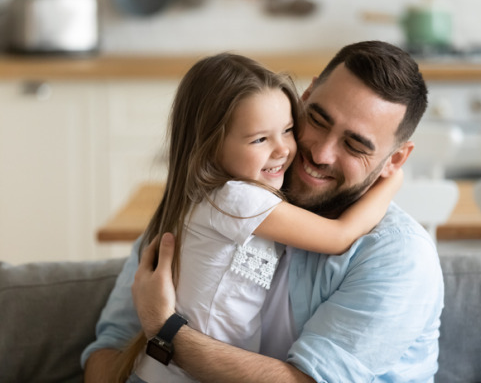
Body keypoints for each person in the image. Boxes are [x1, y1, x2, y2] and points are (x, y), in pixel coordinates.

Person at [83, 41, 444, 382]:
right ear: (303, 97)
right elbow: (110, 350)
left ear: (394, 160)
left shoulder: (398, 255)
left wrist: (163, 328)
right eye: (316, 120)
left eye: (353, 145)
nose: (320, 154)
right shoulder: (210, 200)